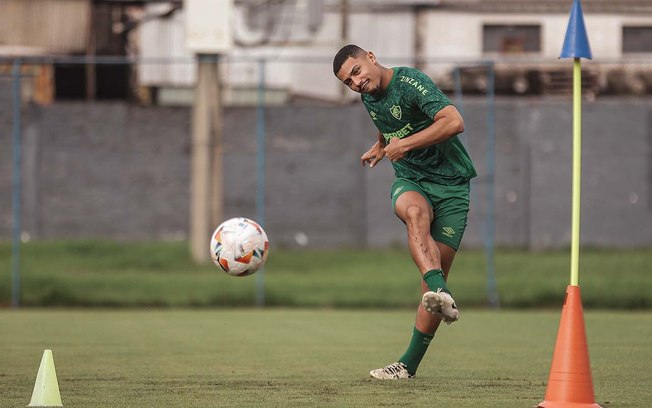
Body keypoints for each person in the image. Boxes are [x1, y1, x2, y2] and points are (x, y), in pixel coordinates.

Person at [332, 44, 477, 380]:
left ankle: (407, 366)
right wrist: (382, 144)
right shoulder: (369, 97)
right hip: (411, 179)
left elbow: (454, 121)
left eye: (356, 72)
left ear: (370, 56)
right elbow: (391, 121)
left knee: (432, 278)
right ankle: (441, 291)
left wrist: (404, 144)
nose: (356, 83)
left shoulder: (411, 82)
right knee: (413, 213)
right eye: (348, 82)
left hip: (453, 186)